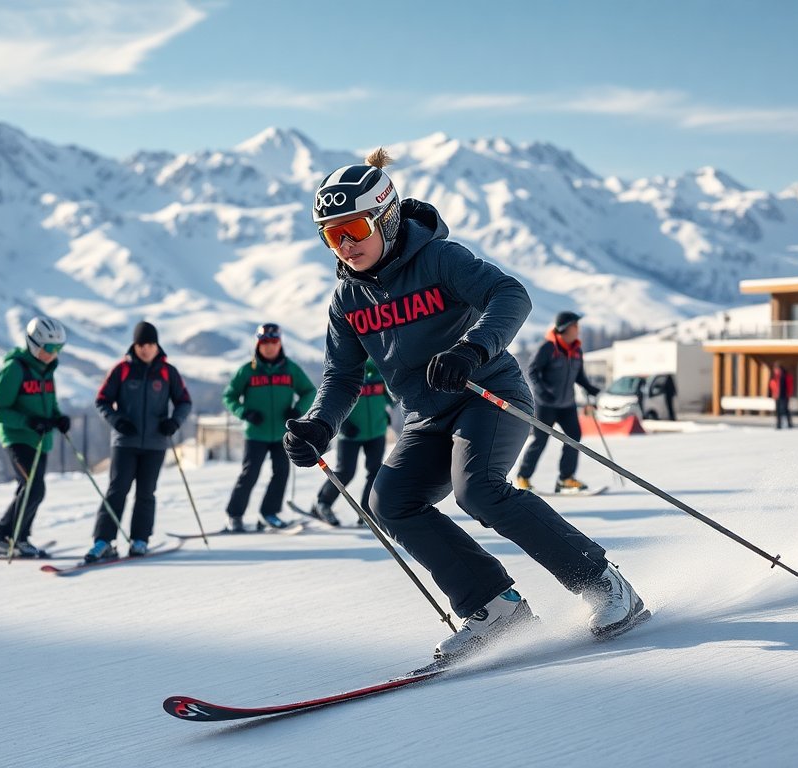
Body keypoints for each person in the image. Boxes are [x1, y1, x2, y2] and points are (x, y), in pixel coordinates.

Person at [283, 149, 644, 661]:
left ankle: (604, 583)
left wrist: (471, 349)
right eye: (331, 235)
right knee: (390, 501)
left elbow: (510, 295)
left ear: (386, 218)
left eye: (354, 228)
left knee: (479, 490)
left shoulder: (440, 260)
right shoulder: (347, 301)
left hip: (487, 394)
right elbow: (341, 376)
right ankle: (495, 609)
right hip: (425, 415)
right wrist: (320, 424)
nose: (345, 245)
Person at [86, 321, 193, 563]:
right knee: (117, 490)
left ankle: (140, 540)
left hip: (156, 443)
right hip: (125, 442)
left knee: (146, 492)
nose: (145, 349)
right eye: (141, 344)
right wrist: (117, 421)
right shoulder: (122, 370)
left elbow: (184, 402)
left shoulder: (168, 372)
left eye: (150, 344)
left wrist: (174, 422)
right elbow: (102, 400)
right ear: (134, 345)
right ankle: (103, 541)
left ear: (157, 345)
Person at [0, 316, 71, 557]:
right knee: (34, 488)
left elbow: (50, 403)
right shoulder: (14, 369)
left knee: (30, 488)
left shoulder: (47, 370)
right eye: (49, 348)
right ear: (34, 344)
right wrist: (28, 421)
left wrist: (58, 418)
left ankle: (18, 537)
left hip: (40, 440)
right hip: (18, 438)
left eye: (59, 348)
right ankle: (2, 537)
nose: (54, 354)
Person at [222, 323, 316, 531]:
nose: (269, 346)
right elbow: (229, 396)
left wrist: (298, 409)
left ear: (280, 343)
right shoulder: (248, 370)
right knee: (249, 474)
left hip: (282, 434)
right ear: (258, 344)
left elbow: (310, 391)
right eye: (265, 342)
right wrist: (244, 412)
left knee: (281, 473)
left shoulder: (291, 369)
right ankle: (234, 515)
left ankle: (269, 514)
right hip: (256, 433)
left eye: (274, 341)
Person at [515, 311, 603, 494]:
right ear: (565, 328)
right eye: (575, 325)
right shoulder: (548, 348)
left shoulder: (576, 350)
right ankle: (523, 477)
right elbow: (532, 371)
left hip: (567, 405)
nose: (578, 329)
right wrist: (543, 393)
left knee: (574, 438)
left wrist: (590, 388)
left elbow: (579, 376)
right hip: (546, 405)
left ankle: (565, 479)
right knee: (540, 440)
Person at [309, 358, 393, 525]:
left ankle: (367, 512)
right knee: (346, 472)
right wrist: (343, 424)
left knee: (375, 471)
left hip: (377, 432)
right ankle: (322, 504)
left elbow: (392, 398)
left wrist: (384, 415)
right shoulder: (345, 372)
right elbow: (331, 401)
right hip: (350, 435)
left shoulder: (380, 373)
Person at [769, 362, 794, 429]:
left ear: (780, 369)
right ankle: (778, 424)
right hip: (776, 396)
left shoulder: (786, 376)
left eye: (777, 368)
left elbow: (789, 385)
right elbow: (772, 385)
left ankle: (789, 423)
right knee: (778, 410)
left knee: (785, 409)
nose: (775, 370)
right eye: (775, 369)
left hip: (784, 395)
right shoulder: (773, 377)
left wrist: (789, 393)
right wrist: (773, 393)